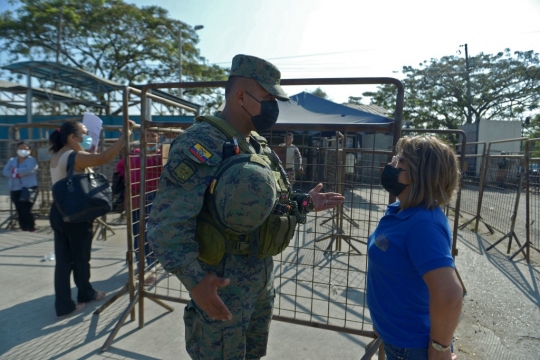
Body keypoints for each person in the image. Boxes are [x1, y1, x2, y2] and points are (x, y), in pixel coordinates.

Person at [148, 54, 345, 359]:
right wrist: (196, 283)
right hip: (221, 283)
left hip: (259, 279)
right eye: (267, 97)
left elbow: (274, 202)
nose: (273, 106)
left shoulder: (257, 144)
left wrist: (305, 204)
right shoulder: (199, 143)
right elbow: (167, 226)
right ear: (241, 96)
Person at [367, 136, 463, 360]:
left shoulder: (423, 224)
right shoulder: (399, 210)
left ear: (420, 173)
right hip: (395, 337)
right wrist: (383, 323)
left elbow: (449, 294)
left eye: (400, 161)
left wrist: (440, 350)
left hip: (411, 349)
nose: (391, 165)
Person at [49, 119, 134, 318]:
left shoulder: (58, 155)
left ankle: (63, 305)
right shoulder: (74, 155)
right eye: (84, 133)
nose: (87, 136)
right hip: (75, 214)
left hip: (58, 212)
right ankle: (86, 293)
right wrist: (125, 135)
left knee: (63, 261)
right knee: (80, 258)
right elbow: (105, 157)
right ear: (72, 137)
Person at [115, 129, 162, 286]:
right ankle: (140, 266)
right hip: (136, 199)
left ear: (159, 137)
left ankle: (151, 269)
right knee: (137, 234)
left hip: (156, 198)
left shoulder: (163, 155)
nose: (149, 138)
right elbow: (120, 169)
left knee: (152, 235)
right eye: (147, 135)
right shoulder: (134, 154)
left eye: (153, 135)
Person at [2, 141, 39, 232]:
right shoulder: (12, 160)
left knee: (26, 209)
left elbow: (28, 170)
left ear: (29, 150)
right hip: (15, 188)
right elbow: (5, 171)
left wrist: (14, 170)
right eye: (21, 148)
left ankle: (31, 228)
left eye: (25, 149)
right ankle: (23, 228)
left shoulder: (32, 160)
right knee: (19, 209)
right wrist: (17, 174)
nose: (23, 151)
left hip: (29, 188)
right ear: (17, 150)